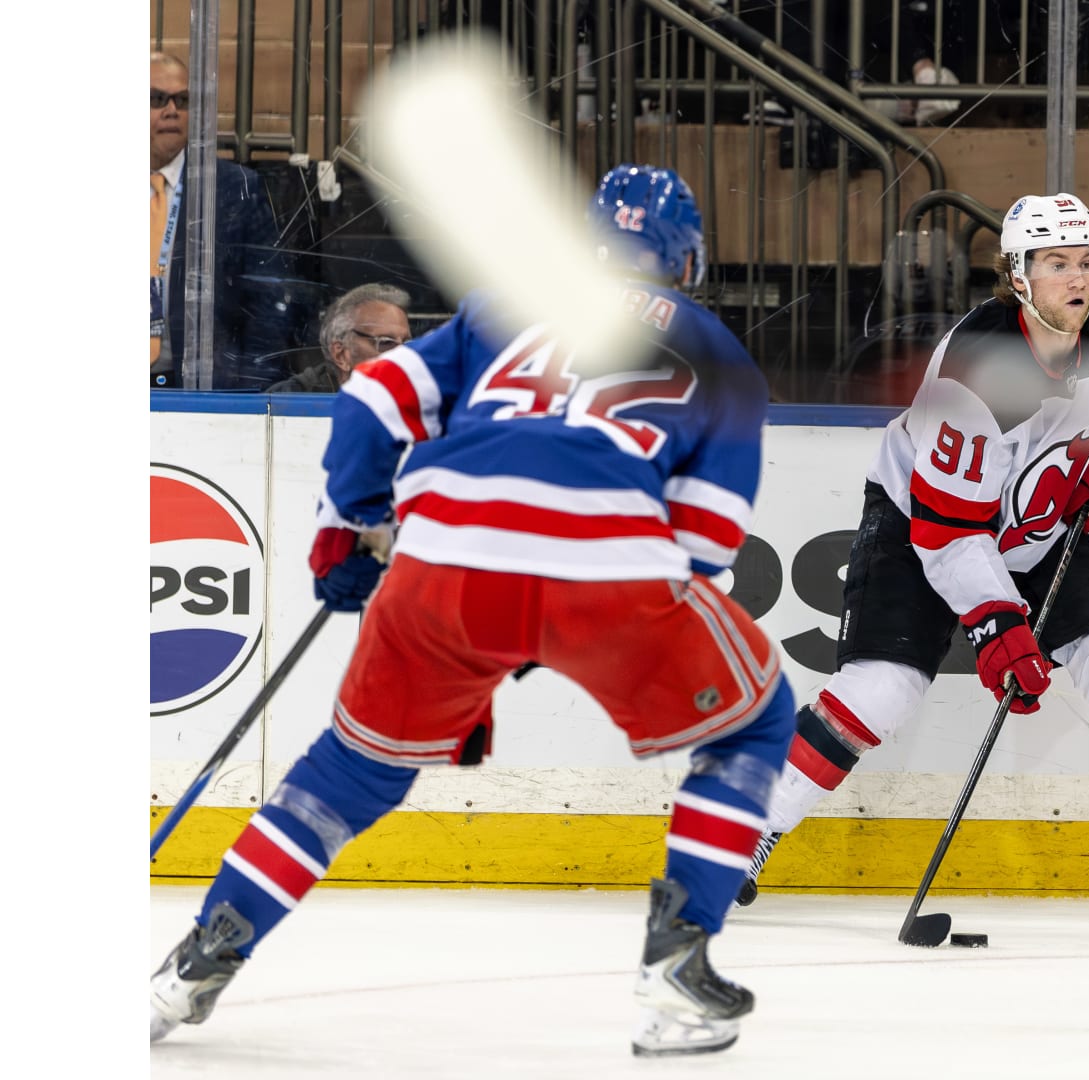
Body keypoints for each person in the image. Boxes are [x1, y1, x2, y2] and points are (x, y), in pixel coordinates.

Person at [149, 165, 795, 1057]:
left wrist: (349, 526)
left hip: (444, 563)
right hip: (609, 568)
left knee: (351, 769)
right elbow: (708, 543)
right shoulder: (722, 355)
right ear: (686, 262)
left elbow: (371, 400)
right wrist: (578, 610)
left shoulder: (506, 306)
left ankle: (195, 963)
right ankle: (678, 966)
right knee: (756, 722)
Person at [735, 193, 1089, 923]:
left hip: (1037, 523)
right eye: (1056, 264)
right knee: (881, 689)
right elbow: (949, 534)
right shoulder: (974, 374)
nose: (1078, 278)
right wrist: (997, 623)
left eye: (1086, 262)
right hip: (920, 523)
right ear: (1017, 276)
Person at [149, 52, 293, 389]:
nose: (172, 110)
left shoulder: (232, 188)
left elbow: (268, 298)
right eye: (156, 99)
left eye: (183, 100)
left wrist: (249, 390)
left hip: (198, 389)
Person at [266, 283, 413, 393]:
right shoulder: (286, 402)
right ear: (341, 355)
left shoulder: (419, 395)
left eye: (408, 344)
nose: (404, 356)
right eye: (386, 343)